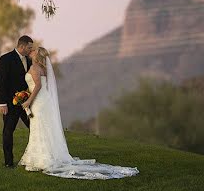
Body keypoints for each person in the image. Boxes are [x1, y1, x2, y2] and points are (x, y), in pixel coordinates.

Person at [19, 45, 138, 180]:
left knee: (40, 128)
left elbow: (38, 86)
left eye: (34, 51)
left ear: (37, 55)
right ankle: (45, 155)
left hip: (39, 102)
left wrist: (28, 101)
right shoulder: (43, 68)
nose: (31, 51)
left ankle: (42, 159)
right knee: (45, 128)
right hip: (44, 101)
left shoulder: (35, 68)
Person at [0, 35, 34, 168]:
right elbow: (0, 82)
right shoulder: (5, 59)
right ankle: (8, 162)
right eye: (29, 48)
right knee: (8, 131)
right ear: (21, 46)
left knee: (34, 128)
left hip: (26, 103)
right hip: (10, 104)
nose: (31, 50)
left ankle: (37, 156)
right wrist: (2, 103)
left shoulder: (29, 60)